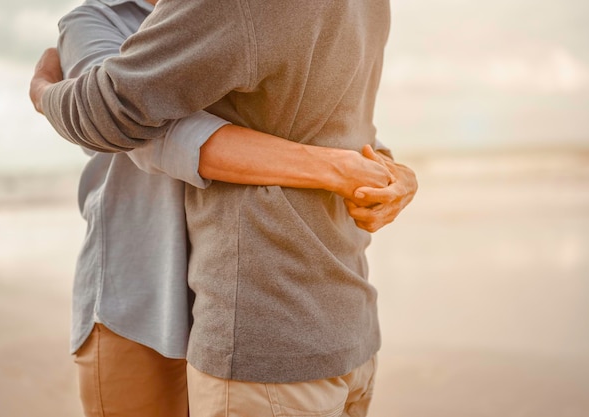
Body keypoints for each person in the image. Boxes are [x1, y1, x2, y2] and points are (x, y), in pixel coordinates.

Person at [30, 0, 417, 415]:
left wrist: (394, 173)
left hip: (248, 297)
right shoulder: (95, 20)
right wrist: (331, 168)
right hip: (142, 296)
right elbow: (149, 136)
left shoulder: (220, 11)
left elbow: (334, 121)